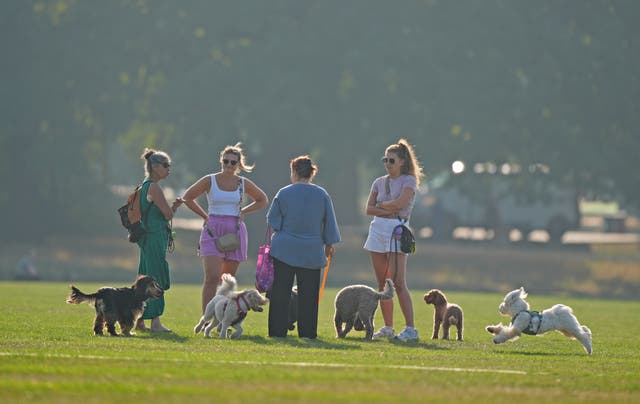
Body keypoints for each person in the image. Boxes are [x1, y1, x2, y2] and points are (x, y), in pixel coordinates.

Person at [173, 143, 268, 313]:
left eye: (233, 162)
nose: (229, 165)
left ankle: (224, 316)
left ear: (239, 165)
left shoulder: (242, 182)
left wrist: (243, 211)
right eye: (226, 161)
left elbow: (262, 199)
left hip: (235, 230)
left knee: (227, 281)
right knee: (212, 278)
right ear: (221, 161)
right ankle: (206, 317)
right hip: (212, 229)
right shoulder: (210, 180)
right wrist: (205, 216)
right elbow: (188, 197)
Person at [267, 155, 341, 339]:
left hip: (284, 249)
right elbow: (330, 222)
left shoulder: (283, 193)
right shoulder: (322, 194)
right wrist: (329, 244)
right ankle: (307, 333)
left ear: (293, 172)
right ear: (311, 173)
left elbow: (273, 221)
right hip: (312, 251)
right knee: (308, 296)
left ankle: (277, 331)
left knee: (280, 294)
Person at [363, 139, 424, 341]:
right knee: (382, 283)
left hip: (397, 230)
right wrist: (386, 207)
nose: (387, 164)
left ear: (402, 162)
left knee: (398, 282)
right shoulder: (379, 182)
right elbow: (368, 209)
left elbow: (400, 204)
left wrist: (382, 205)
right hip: (378, 229)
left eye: (391, 160)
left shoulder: (409, 181)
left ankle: (410, 328)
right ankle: (388, 326)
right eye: (385, 160)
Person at [135, 148, 174, 332]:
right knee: (155, 277)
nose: (168, 169)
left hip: (146, 238)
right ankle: (156, 322)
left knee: (143, 276)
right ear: (155, 167)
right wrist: (176, 205)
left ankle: (139, 320)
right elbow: (167, 214)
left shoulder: (143, 185)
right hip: (154, 238)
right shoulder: (154, 187)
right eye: (166, 165)